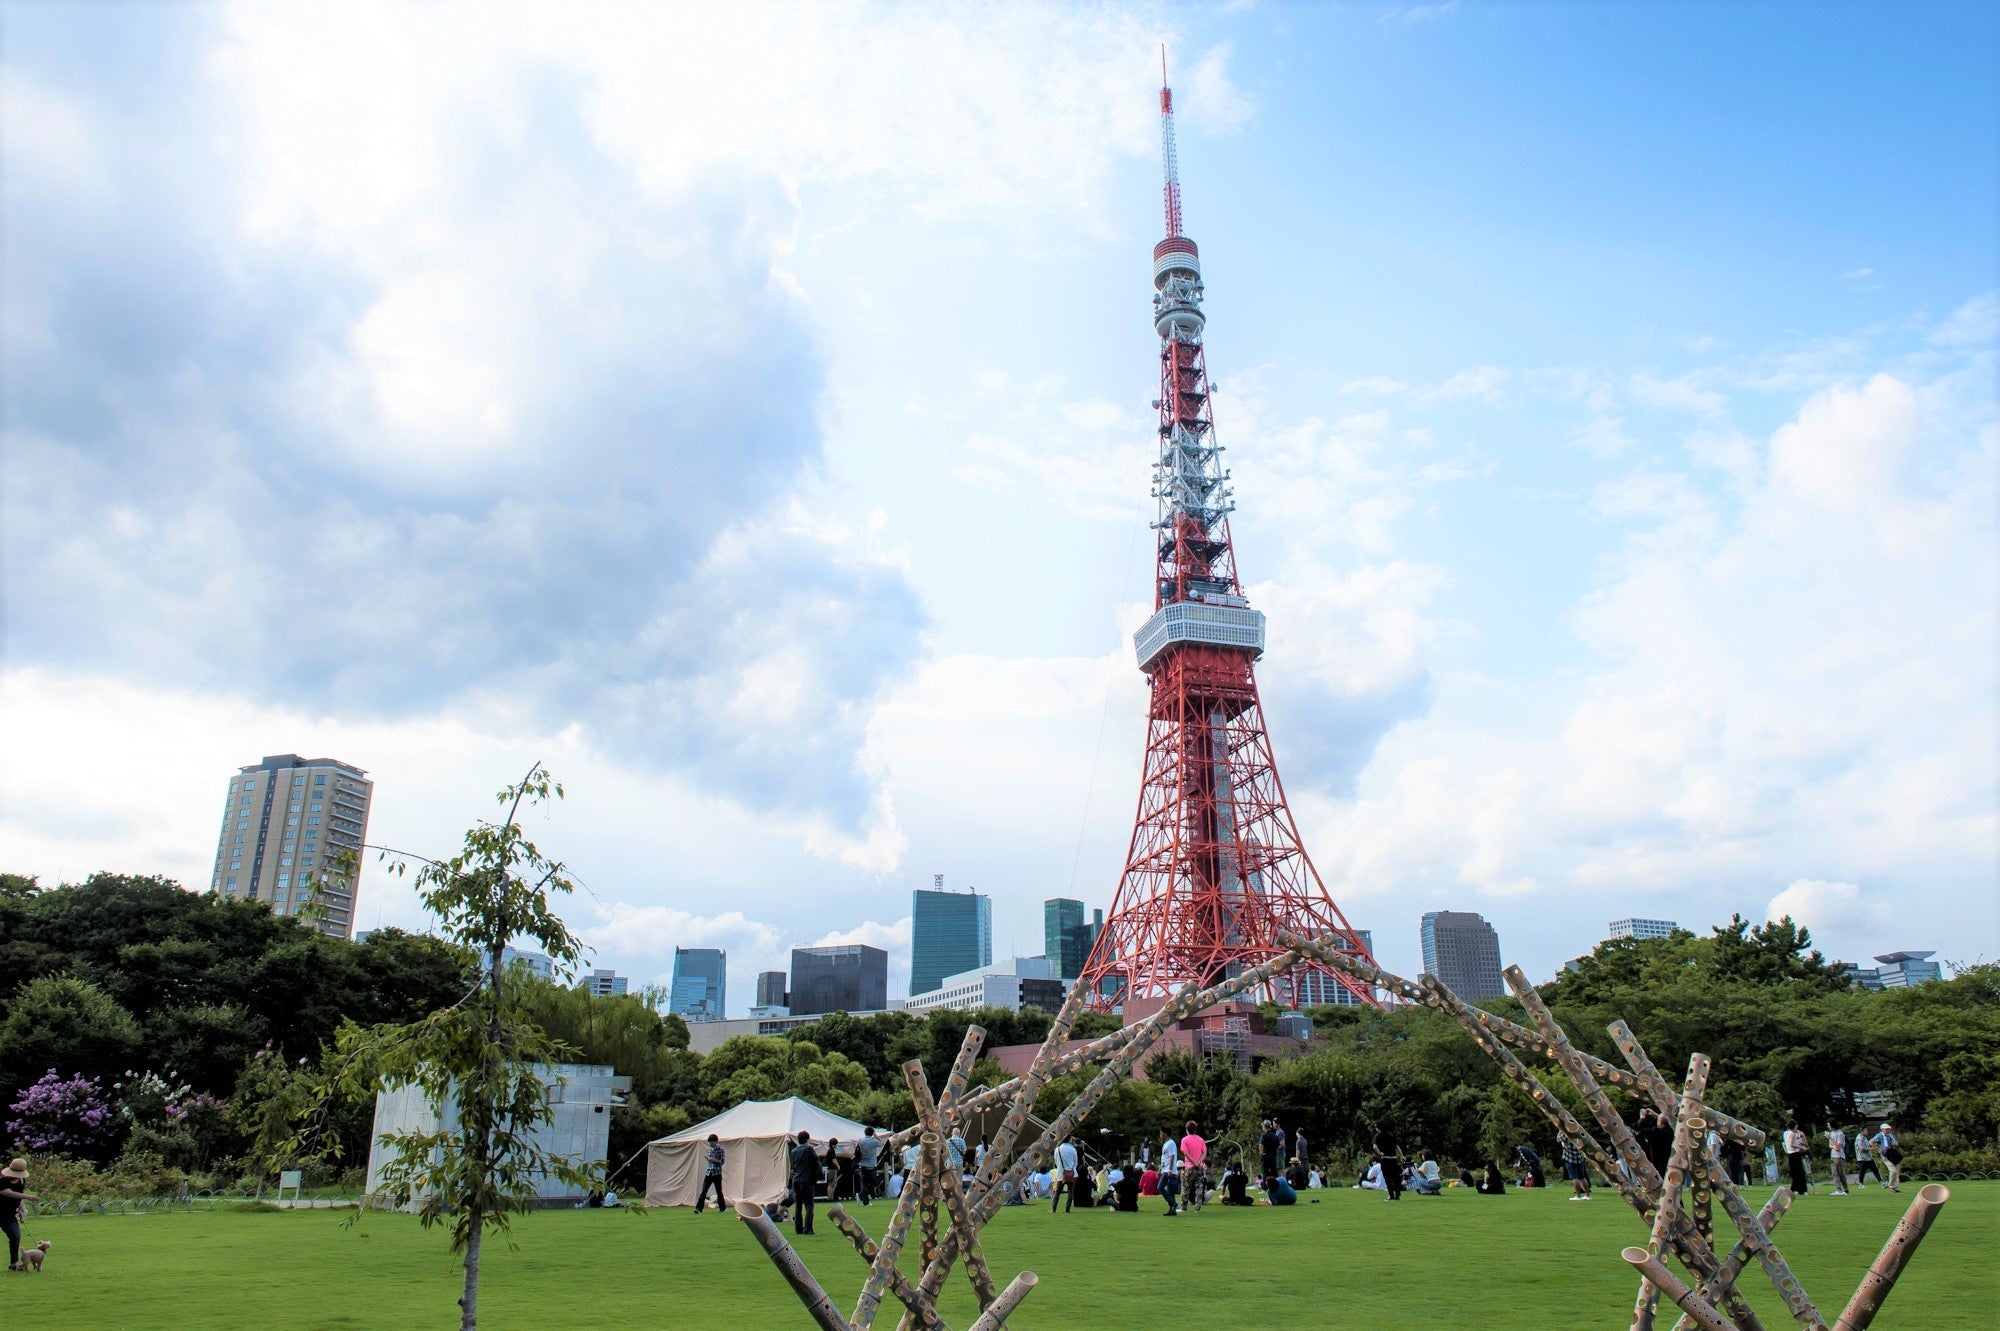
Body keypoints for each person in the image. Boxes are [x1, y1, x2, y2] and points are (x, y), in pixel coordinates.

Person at [3, 1158, 38, 1272]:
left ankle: (13, 1264)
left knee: (15, 1237)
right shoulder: (2, 1180)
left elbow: (18, 1196)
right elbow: (8, 1193)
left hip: (9, 1215)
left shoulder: (22, 1181)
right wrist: (29, 1197)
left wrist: (20, 1209)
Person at [791, 1130, 823, 1236]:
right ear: (807, 1139)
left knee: (798, 1206)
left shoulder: (793, 1151)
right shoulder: (809, 1149)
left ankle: (798, 1229)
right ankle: (808, 1229)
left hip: (796, 1180)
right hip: (807, 1180)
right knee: (809, 1205)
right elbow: (816, 1163)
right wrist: (818, 1176)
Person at [1178, 1120, 1209, 1211]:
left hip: (1189, 1166)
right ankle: (1198, 1207)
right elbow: (1204, 1152)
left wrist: (1194, 1162)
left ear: (1187, 1129)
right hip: (1200, 1167)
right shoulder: (1201, 1140)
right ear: (1195, 1129)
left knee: (1185, 1188)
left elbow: (1185, 1153)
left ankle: (1184, 1207)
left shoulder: (1184, 1140)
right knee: (1199, 1187)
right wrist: (1199, 1162)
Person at [695, 1133, 727, 1213]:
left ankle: (723, 1208)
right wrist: (708, 1159)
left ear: (716, 1141)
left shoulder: (721, 1150)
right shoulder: (709, 1149)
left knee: (719, 1191)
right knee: (704, 1191)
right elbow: (710, 1160)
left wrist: (714, 1160)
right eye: (709, 1142)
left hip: (717, 1173)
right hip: (709, 1173)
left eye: (712, 1142)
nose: (710, 1144)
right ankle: (698, 1209)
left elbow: (722, 1161)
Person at [1373, 1122, 1403, 1202]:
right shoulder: (1391, 1135)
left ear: (1378, 1128)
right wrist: (1402, 1155)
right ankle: (1397, 1194)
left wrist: (1380, 1154)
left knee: (1388, 1178)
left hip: (1385, 1159)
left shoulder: (1378, 1136)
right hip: (1393, 1158)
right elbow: (1397, 1146)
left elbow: (1375, 1147)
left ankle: (1391, 1195)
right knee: (1396, 1177)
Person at [855, 1126, 884, 1206]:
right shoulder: (874, 1141)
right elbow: (882, 1143)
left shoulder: (860, 1140)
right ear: (872, 1133)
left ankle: (861, 1196)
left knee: (864, 1183)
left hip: (862, 1164)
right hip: (872, 1164)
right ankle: (865, 1201)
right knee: (873, 1183)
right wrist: (876, 1136)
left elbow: (856, 1148)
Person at [1870, 1123, 1902, 1193]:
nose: (1888, 1130)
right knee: (1893, 1171)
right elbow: (1871, 1142)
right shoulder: (1879, 1136)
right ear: (1883, 1129)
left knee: (1897, 1171)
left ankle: (1895, 1187)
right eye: (1886, 1129)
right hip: (1885, 1156)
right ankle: (1891, 1186)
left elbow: (1894, 1142)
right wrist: (1878, 1149)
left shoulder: (1890, 1135)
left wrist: (1895, 1144)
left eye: (1888, 1129)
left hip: (1892, 1155)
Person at [1157, 1128, 1182, 1216]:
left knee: (1160, 1187)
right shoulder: (1166, 1144)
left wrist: (1170, 1169)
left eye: (1161, 1133)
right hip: (1165, 1169)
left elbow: (1172, 1156)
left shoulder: (1170, 1143)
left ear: (1165, 1133)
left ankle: (1173, 1204)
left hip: (1168, 1169)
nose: (1160, 1135)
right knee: (1170, 1190)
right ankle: (1172, 1210)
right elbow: (1165, 1158)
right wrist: (1160, 1169)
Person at [1560, 1132, 1592, 1200]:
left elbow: (1558, 1139)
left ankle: (1578, 1196)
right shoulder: (1578, 1134)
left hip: (1570, 1159)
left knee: (1574, 1178)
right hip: (1579, 1159)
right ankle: (1588, 1195)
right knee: (1582, 1178)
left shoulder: (1567, 1135)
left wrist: (1560, 1130)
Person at [1783, 1122, 1811, 1196]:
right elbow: (1791, 1144)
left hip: (1791, 1154)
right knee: (1799, 1172)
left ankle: (1795, 1188)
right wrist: (1801, 1147)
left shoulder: (1786, 1133)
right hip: (1794, 1153)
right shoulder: (1792, 1133)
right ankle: (1801, 1189)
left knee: (1795, 1172)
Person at [1052, 1138, 1079, 1213]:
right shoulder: (1073, 1149)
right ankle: (1067, 1209)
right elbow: (1075, 1162)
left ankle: (1054, 1208)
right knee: (1070, 1191)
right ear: (1069, 1140)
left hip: (1061, 1173)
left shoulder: (1057, 1149)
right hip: (1072, 1173)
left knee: (1058, 1191)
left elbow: (1056, 1162)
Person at [1825, 1121, 1848, 1196]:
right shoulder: (1831, 1133)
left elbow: (1838, 1146)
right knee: (1835, 1173)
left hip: (1839, 1156)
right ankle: (1839, 1189)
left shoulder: (1840, 1134)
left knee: (1840, 1173)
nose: (1828, 1126)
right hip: (1833, 1155)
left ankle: (1844, 1190)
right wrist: (1833, 1145)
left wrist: (1831, 1139)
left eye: (1829, 1125)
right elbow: (1830, 1145)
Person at [1259, 1120, 1283, 1186]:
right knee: (1274, 1172)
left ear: (1264, 1126)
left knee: (1265, 1172)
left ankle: (1265, 1187)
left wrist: (1261, 1154)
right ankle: (1275, 1186)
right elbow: (1278, 1145)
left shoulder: (1263, 1135)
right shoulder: (1274, 1135)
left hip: (1266, 1156)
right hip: (1273, 1156)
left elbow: (1261, 1145)